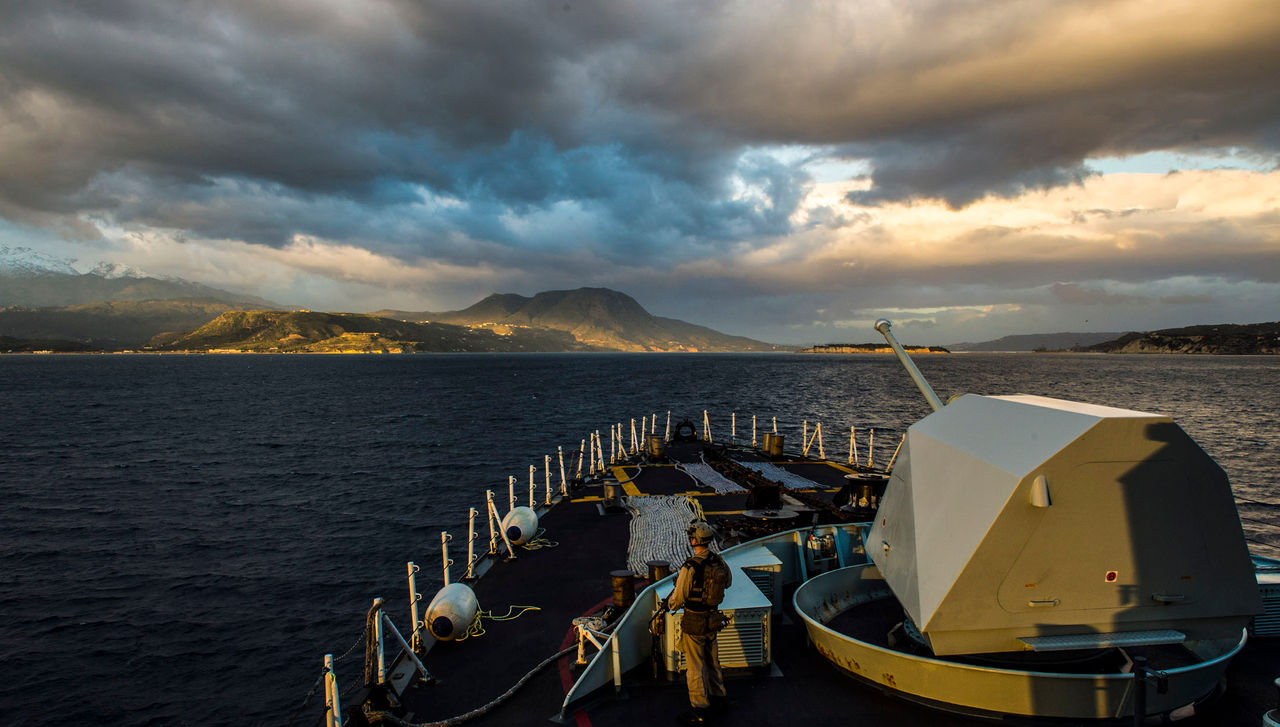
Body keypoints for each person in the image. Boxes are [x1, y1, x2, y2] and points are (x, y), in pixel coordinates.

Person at [664, 520, 732, 726]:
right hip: (713, 619)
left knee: (694, 666)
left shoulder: (691, 566)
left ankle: (699, 709)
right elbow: (728, 582)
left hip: (694, 621)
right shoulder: (718, 561)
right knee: (713, 660)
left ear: (693, 541)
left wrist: (669, 605)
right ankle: (719, 698)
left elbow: (679, 597)